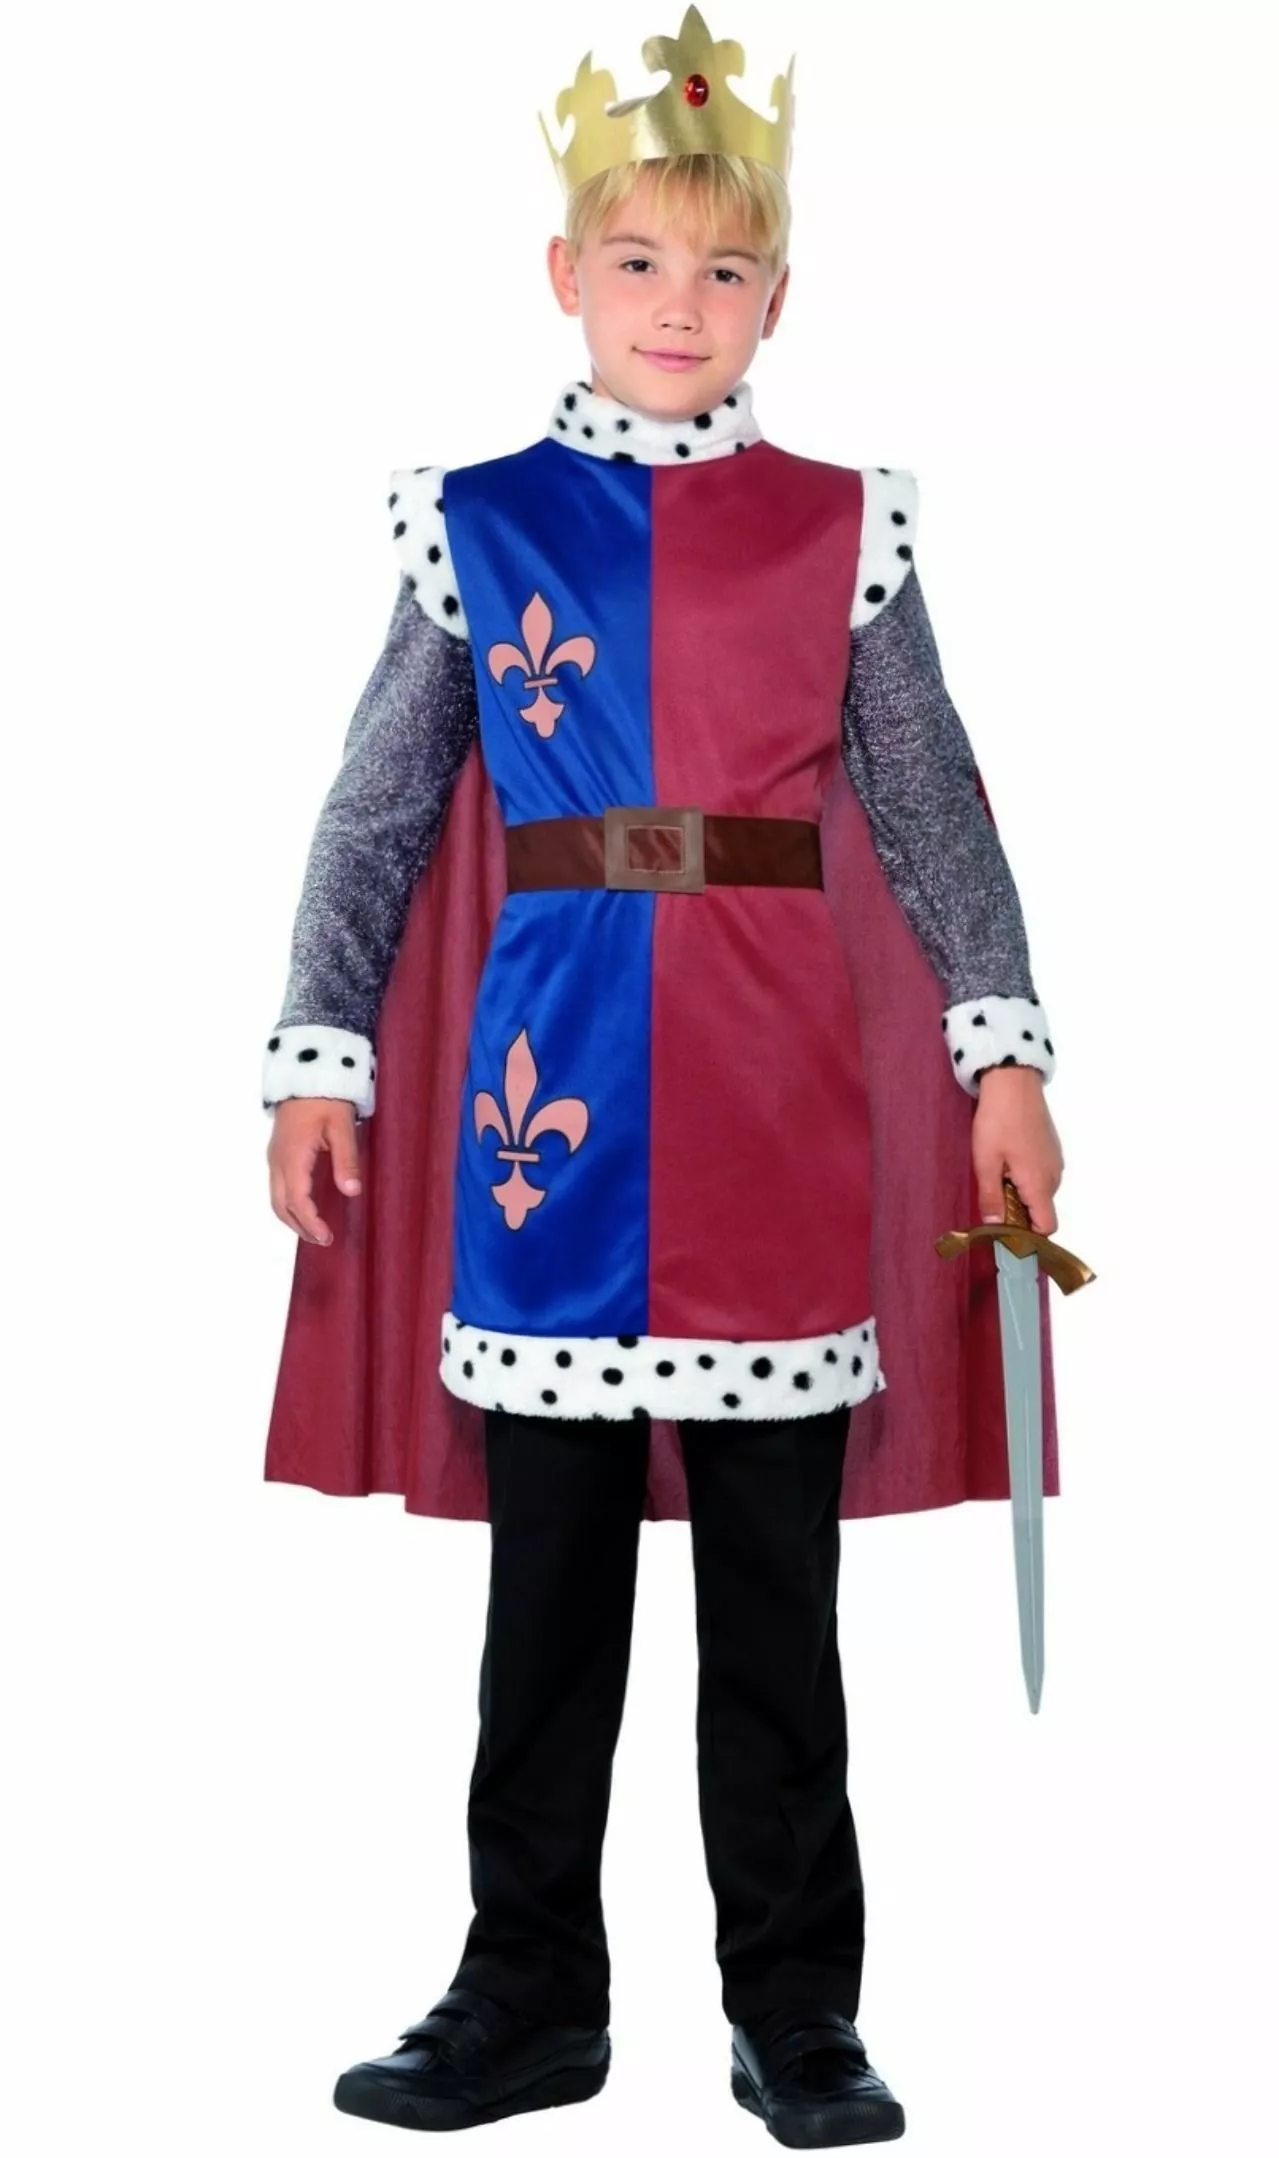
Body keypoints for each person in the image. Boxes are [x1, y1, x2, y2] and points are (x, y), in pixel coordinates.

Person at [260, 7, 1065, 2143]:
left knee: (775, 1608)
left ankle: (795, 2006)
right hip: (551, 1116)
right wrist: (319, 1051)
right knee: (548, 1600)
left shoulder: (841, 526)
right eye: (637, 261)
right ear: (566, 274)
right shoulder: (476, 520)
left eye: (722, 268)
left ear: (777, 295)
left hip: (774, 1103)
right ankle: (527, 1987)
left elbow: (933, 810)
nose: (678, 304)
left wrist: (1002, 1046)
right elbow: (376, 811)